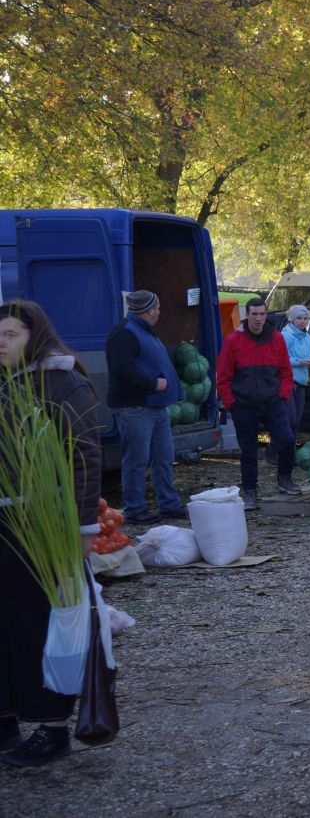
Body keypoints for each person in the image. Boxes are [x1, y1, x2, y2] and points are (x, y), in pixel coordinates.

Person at [0, 300, 104, 768]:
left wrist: (82, 529)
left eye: (11, 334)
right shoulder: (3, 383)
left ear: (35, 337)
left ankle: (52, 727)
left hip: (42, 525)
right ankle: (5, 717)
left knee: (37, 624)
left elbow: (85, 456)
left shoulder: (60, 382)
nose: (1, 343)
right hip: (4, 524)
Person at [104, 289, 186, 524]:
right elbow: (123, 368)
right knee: (136, 461)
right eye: (157, 308)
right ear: (148, 310)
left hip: (156, 407)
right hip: (136, 408)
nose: (159, 312)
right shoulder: (125, 333)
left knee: (164, 458)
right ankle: (135, 509)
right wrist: (152, 383)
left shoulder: (142, 331)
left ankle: (169, 505)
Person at [216, 297, 296, 510]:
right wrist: (231, 403)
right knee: (248, 450)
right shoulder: (233, 341)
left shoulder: (277, 339)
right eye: (254, 314)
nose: (258, 318)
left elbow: (286, 372)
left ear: (266, 315)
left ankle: (285, 478)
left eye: (262, 314)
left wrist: (283, 395)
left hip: (273, 401)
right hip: (244, 405)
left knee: (287, 440)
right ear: (247, 315)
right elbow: (223, 376)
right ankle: (250, 491)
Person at [281, 305, 310, 431]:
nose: (302, 321)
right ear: (292, 319)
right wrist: (299, 362)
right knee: (290, 420)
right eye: (299, 318)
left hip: (301, 383)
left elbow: (308, 357)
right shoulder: (286, 336)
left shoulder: (308, 337)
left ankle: (291, 444)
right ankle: (278, 443)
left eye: (305, 318)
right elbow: (280, 360)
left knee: (296, 423)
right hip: (288, 383)